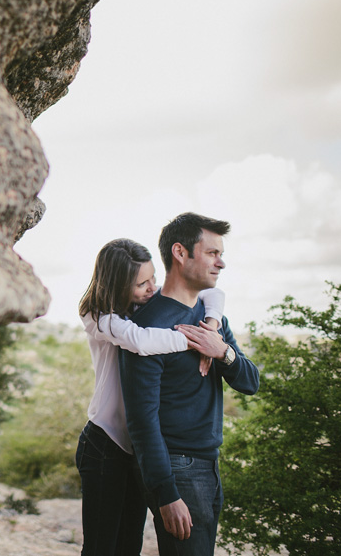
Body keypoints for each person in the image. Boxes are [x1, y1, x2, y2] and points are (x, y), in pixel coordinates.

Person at [75, 238, 228, 556]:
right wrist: (197, 342)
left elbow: (213, 293)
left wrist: (212, 326)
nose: (152, 287)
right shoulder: (99, 316)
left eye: (153, 277)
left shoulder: (144, 304)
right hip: (105, 444)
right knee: (102, 549)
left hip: (137, 450)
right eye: (141, 283)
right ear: (117, 285)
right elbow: (141, 341)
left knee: (128, 547)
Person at [119, 213, 260, 556]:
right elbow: (141, 419)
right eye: (212, 253)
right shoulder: (148, 327)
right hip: (177, 469)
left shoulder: (213, 320)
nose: (220, 263)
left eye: (220, 254)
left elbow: (250, 382)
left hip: (209, 463)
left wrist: (222, 351)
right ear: (181, 253)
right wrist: (166, 493)